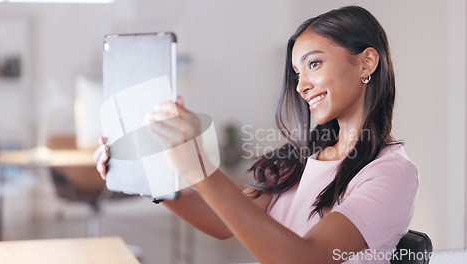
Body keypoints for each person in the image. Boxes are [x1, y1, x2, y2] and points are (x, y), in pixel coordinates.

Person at [94, 5, 418, 264]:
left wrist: (199, 167)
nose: (302, 85)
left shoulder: (391, 173)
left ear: (367, 63)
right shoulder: (301, 157)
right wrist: (151, 174)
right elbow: (223, 221)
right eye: (297, 73)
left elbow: (305, 259)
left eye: (314, 64)